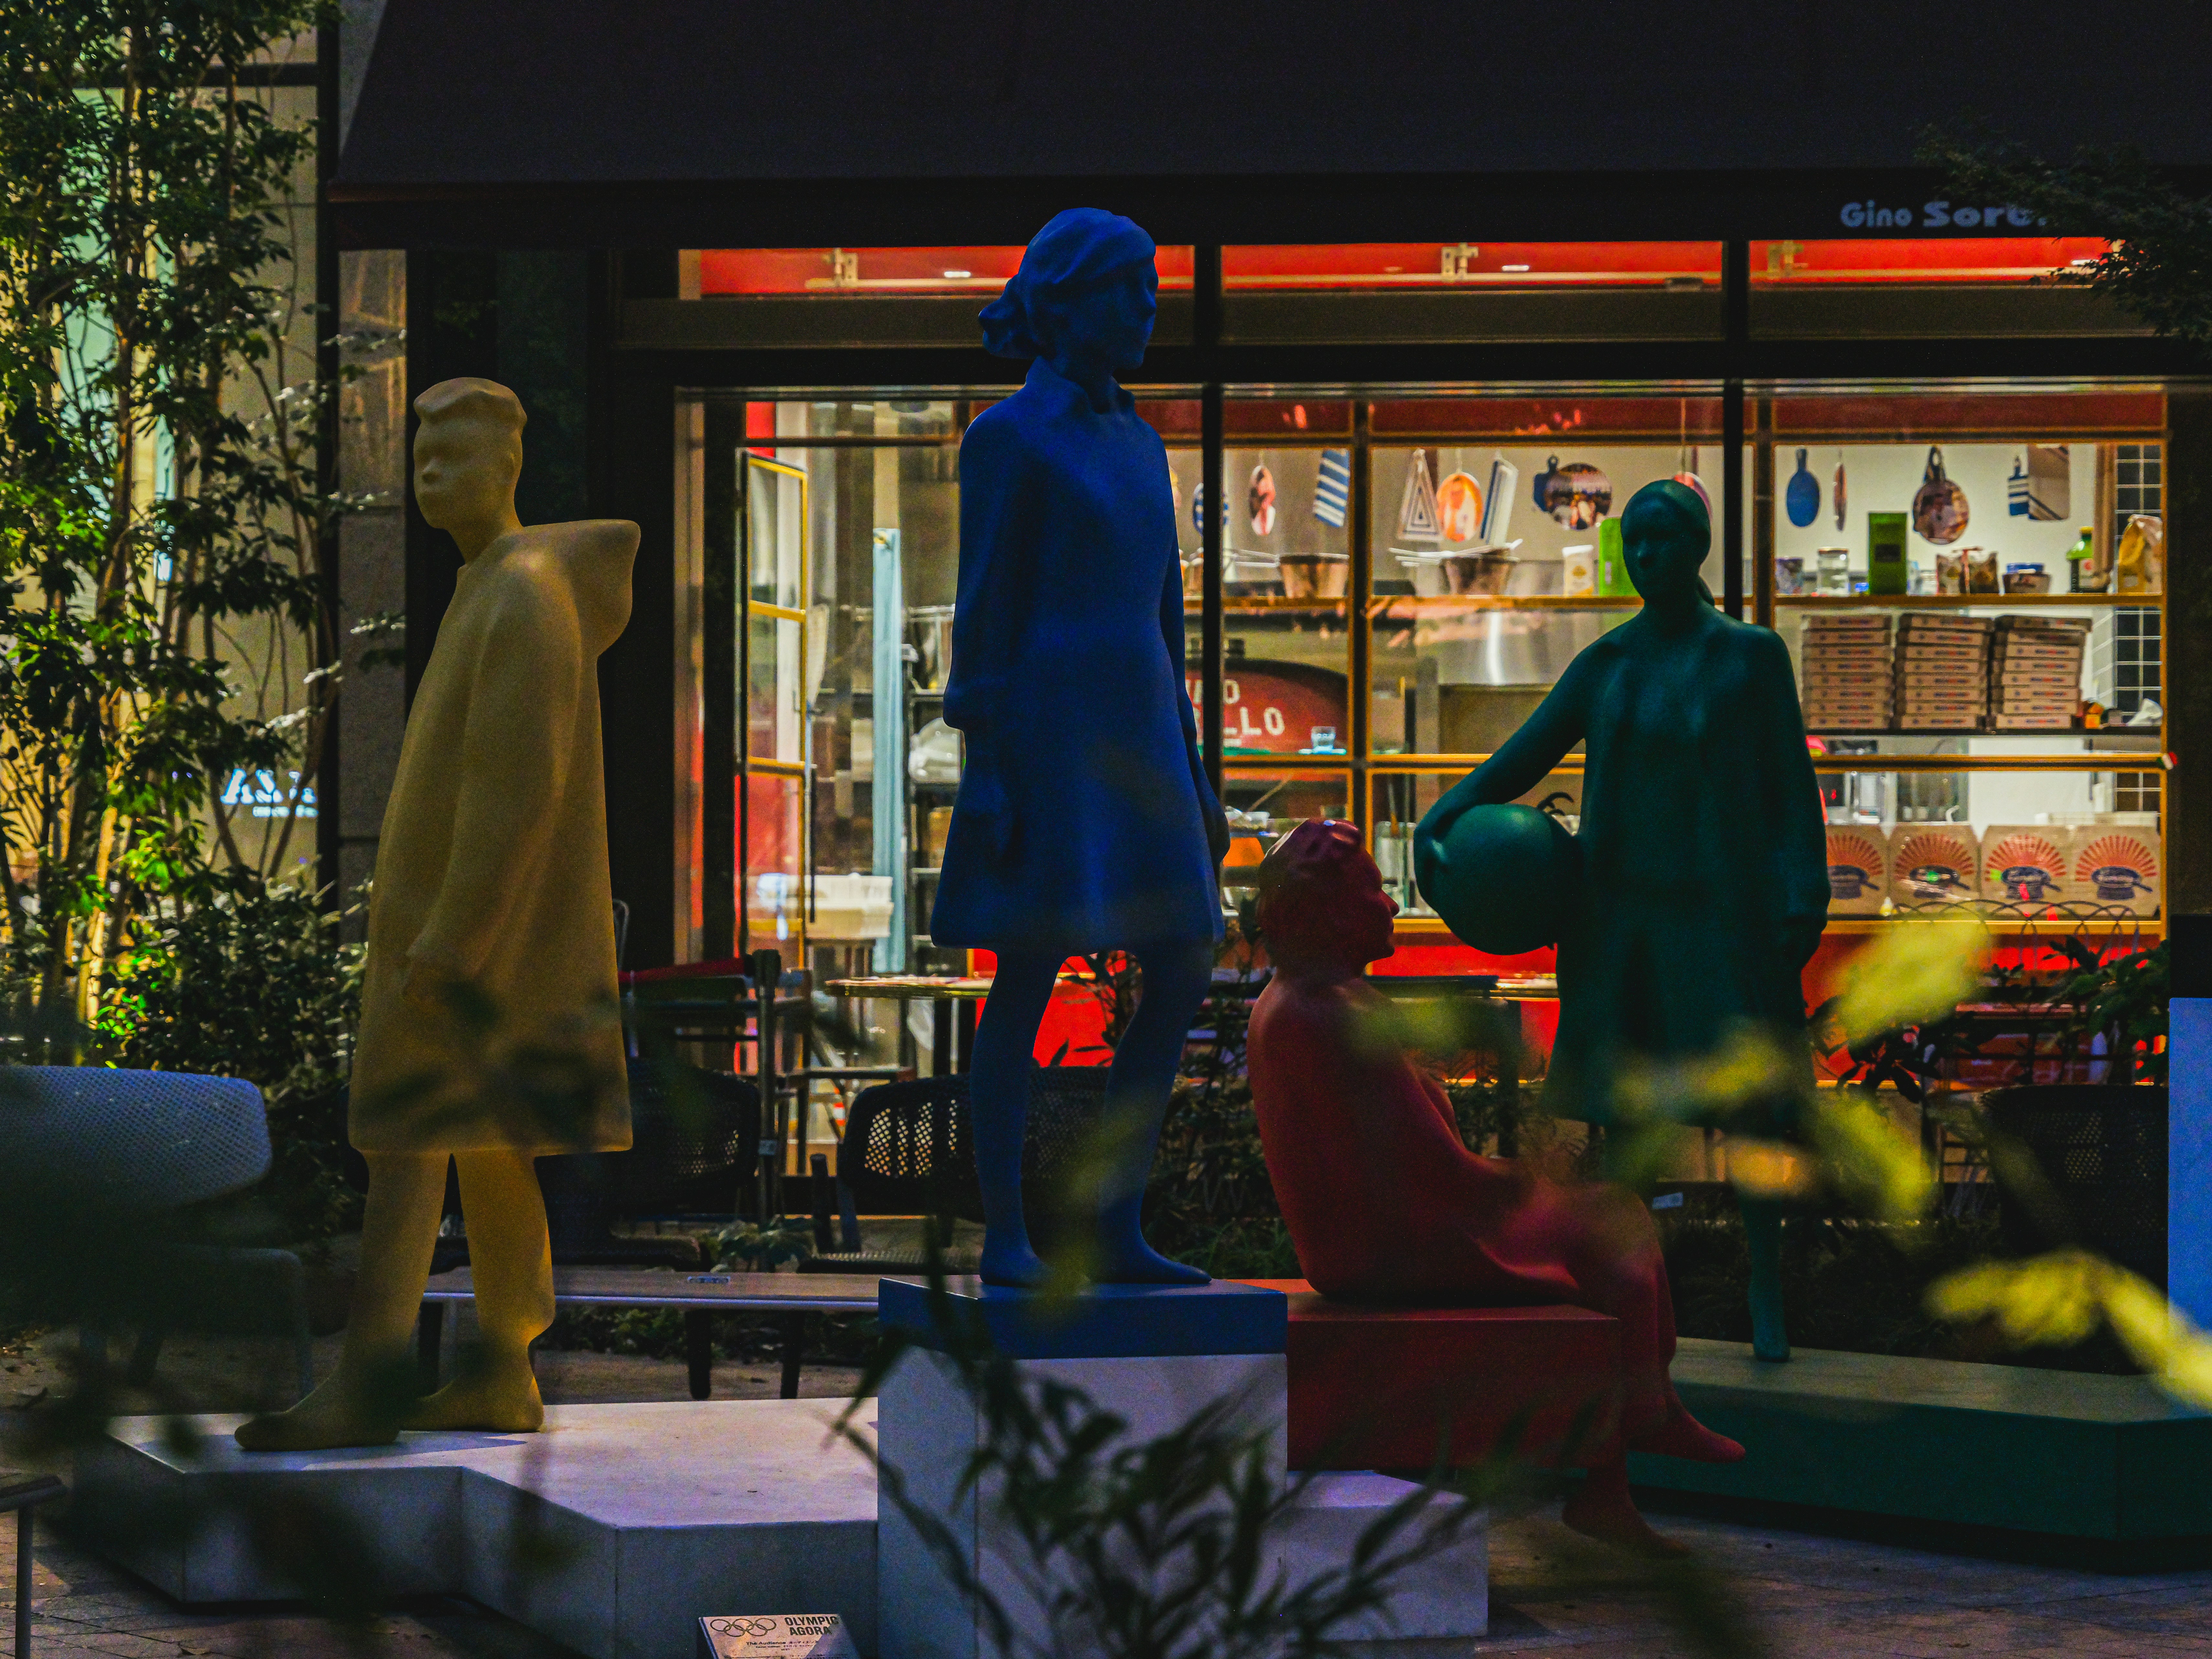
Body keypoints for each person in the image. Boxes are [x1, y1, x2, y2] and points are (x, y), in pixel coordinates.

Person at [238, 378, 636, 1450]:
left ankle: (371, 1379)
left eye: (453, 455)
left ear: (507, 468)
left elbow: (518, 789)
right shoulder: (495, 585)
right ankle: (502, 1365)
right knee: (480, 1145)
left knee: (414, 1144)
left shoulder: (521, 592)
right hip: (463, 944)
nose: (431, 472)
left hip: (466, 950)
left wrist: (454, 937)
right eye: (421, 454)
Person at [1246, 819, 1743, 1555]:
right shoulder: (1330, 1014)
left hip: (1371, 1234)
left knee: (1607, 1218)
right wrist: (1524, 1186)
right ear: (1330, 910)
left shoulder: (1304, 1000)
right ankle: (1642, 1414)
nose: (1391, 908)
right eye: (1377, 891)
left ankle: (1631, 1446)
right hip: (1390, 1246)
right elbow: (1436, 1174)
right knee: (1614, 1224)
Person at [1414, 479, 1828, 1360]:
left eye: (1664, 542)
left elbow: (1790, 785)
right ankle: (1639, 1291)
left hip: (1721, 919)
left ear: (1699, 547)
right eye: (1635, 545)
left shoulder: (1750, 658)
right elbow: (1521, 757)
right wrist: (1443, 814)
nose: (1648, 560)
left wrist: (1807, 882)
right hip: (1623, 926)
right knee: (1628, 1121)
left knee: (1750, 1107)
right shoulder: (1607, 664)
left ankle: (1766, 1285)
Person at [929, 209, 1228, 1289]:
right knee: (1029, 966)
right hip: (1052, 723)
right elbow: (986, 604)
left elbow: (1168, 618)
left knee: (1184, 953)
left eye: (1154, 287)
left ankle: (1114, 1224)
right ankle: (1007, 1232)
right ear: (1069, 300)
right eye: (1130, 289)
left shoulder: (1142, 441)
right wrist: (989, 761)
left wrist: (1195, 770)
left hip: (1141, 720)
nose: (1150, 308)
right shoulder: (1009, 437)